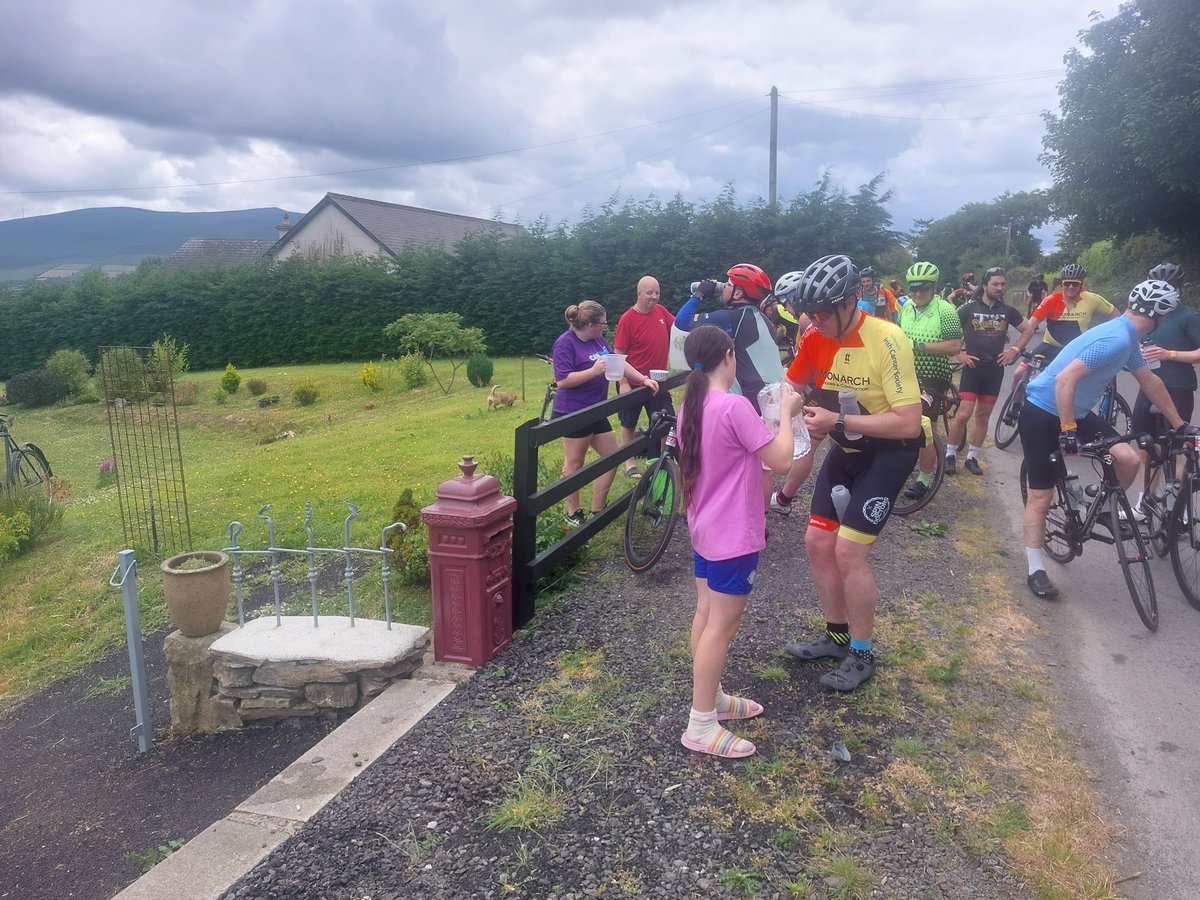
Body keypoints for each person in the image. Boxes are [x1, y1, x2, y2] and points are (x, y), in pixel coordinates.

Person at [782, 255, 923, 692]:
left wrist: (837, 421)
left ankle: (862, 653)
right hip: (845, 450)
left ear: (850, 301)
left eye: (823, 313)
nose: (815, 321)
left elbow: (909, 423)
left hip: (890, 453)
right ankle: (837, 637)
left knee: (848, 552)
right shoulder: (815, 335)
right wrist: (790, 416)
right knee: (817, 542)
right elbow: (790, 387)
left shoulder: (887, 338)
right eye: (810, 313)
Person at [1018, 280, 1194, 599]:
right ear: (1161, 316)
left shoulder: (1129, 338)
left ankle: (1102, 509)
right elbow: (1064, 380)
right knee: (1041, 497)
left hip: (1077, 411)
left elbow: (1150, 381)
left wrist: (1180, 425)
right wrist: (1068, 431)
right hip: (1042, 411)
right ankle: (1035, 569)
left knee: (1127, 458)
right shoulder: (1116, 338)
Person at [677, 325, 803, 759]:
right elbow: (782, 460)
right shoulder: (733, 405)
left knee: (706, 614)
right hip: (733, 534)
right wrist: (785, 411)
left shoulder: (691, 405)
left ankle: (710, 700)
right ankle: (700, 724)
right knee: (722, 626)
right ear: (729, 356)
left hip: (705, 528)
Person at [551, 300, 658, 527]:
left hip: (597, 410)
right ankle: (573, 512)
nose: (605, 327)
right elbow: (563, 381)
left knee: (612, 457)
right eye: (603, 324)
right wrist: (593, 372)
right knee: (575, 463)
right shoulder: (565, 344)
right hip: (573, 412)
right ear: (590, 324)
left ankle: (597, 510)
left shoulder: (598, 340)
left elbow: (619, 363)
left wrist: (643, 379)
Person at [946, 267, 1034, 475]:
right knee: (963, 414)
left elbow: (1028, 330)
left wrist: (1014, 350)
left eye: (1002, 284)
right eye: (995, 284)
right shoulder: (969, 308)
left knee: (983, 415)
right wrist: (960, 354)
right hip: (972, 369)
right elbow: (948, 331)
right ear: (984, 285)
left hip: (994, 371)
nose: (999, 288)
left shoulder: (1008, 311)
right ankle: (950, 455)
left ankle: (972, 457)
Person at [1131, 264, 1200, 512]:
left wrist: (1169, 354)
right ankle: (1143, 503)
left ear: (1178, 289)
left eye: (1169, 286)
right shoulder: (1148, 317)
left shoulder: (1188, 316)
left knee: (1177, 450)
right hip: (1148, 386)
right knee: (1145, 448)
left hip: (1178, 386)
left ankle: (1178, 508)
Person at [674, 263, 783, 414]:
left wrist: (699, 293)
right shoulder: (763, 319)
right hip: (776, 396)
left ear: (737, 294)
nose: (724, 286)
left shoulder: (731, 318)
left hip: (752, 402)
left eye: (728, 284)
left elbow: (682, 321)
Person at [896, 261, 963, 499]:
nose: (917, 294)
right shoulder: (906, 307)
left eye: (923, 288)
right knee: (896, 420)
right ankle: (897, 466)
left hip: (934, 374)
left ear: (933, 287)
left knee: (925, 425)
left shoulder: (945, 310)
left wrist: (918, 345)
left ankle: (924, 479)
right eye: (913, 288)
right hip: (906, 371)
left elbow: (954, 346)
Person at [614, 275, 675, 480]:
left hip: (658, 381)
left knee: (665, 420)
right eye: (649, 293)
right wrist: (623, 383)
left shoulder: (661, 311)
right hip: (632, 382)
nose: (654, 297)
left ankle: (662, 461)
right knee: (628, 423)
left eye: (657, 292)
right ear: (639, 294)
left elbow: (678, 328)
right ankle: (630, 462)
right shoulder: (627, 319)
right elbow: (618, 353)